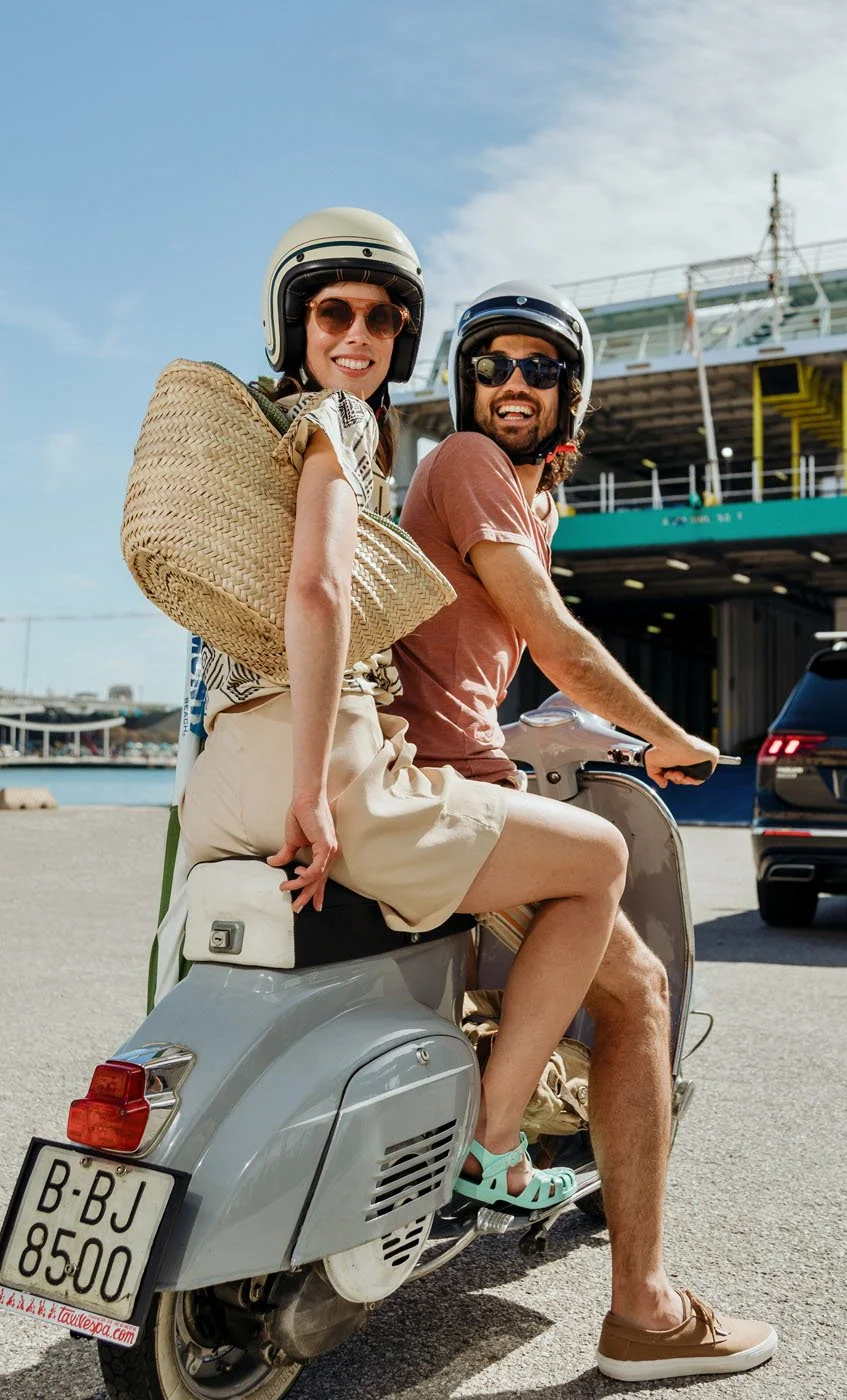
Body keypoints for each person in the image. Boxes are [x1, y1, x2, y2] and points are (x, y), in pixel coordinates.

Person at [177, 211, 621, 1215]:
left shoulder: (258, 434)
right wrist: (312, 792)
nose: (359, 335)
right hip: (324, 769)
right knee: (599, 861)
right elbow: (321, 592)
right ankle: (494, 1145)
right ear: (295, 325)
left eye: (380, 319)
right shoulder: (345, 423)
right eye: (334, 313)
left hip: (219, 780)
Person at [390, 281, 779, 1381]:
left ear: (572, 390)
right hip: (445, 787)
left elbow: (464, 665)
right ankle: (636, 1300)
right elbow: (553, 636)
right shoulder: (467, 461)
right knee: (640, 989)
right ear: (466, 384)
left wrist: (538, 730)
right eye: (493, 366)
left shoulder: (527, 501)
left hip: (461, 762)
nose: (514, 384)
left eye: (540, 367)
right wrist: (664, 735)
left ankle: (494, 1131)